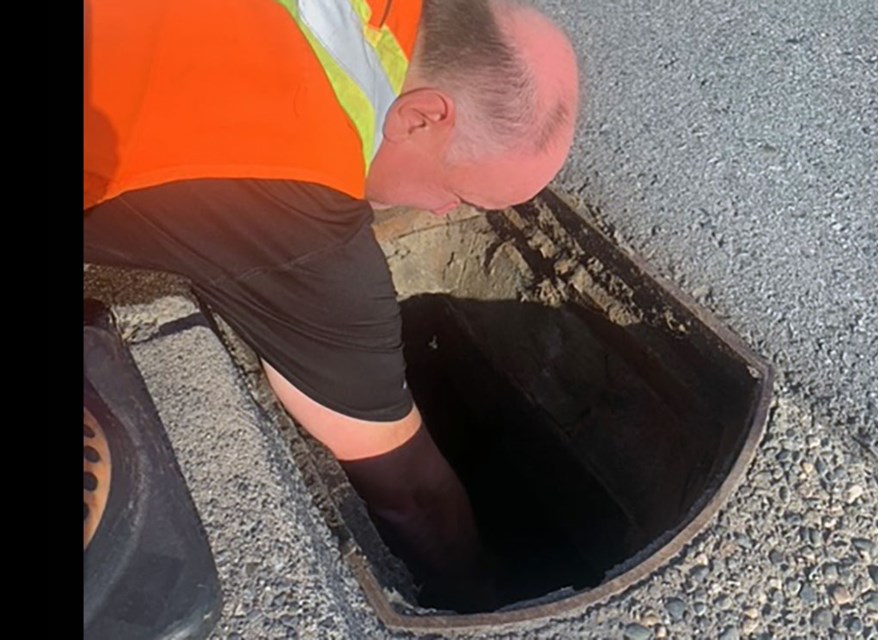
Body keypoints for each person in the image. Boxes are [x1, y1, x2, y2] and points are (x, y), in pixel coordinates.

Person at [83, 0, 578, 608]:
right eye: (459, 195)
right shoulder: (301, 207)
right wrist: (483, 590)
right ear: (422, 118)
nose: (446, 214)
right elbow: (411, 494)